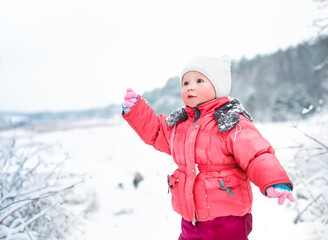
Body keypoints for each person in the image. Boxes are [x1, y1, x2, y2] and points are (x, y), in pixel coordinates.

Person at [122, 56, 295, 240]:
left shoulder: (230, 121)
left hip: (226, 220)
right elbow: (156, 131)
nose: (190, 86)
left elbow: (256, 154)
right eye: (186, 82)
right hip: (191, 220)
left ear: (217, 87)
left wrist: (273, 180)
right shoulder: (180, 125)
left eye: (199, 81)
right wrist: (137, 110)